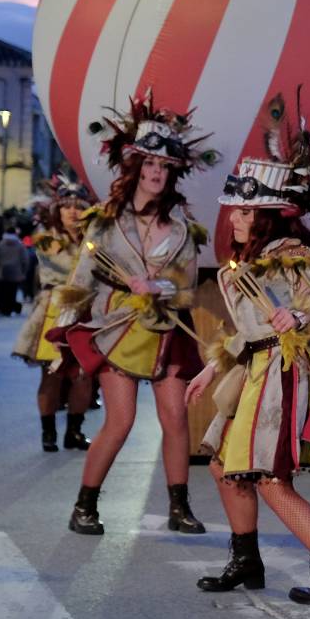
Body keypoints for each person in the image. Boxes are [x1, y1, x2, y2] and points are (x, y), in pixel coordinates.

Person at [187, 102, 310, 605]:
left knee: (269, 478)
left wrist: (296, 318)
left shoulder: (289, 257)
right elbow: (246, 334)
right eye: (234, 210)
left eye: (245, 211)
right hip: (255, 369)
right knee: (224, 466)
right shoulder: (242, 266)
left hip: (284, 371)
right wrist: (211, 367)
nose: (235, 218)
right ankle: (247, 561)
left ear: (265, 216)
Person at [56, 96, 215, 536]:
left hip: (166, 330)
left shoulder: (183, 228)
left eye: (164, 166)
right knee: (120, 421)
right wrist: (64, 332)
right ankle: (84, 506)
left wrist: (159, 288)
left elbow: (187, 289)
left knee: (176, 418)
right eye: (149, 164)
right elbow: (81, 279)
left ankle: (179, 508)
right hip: (115, 329)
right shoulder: (106, 222)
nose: (156, 173)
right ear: (134, 167)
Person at [11, 177, 96, 453]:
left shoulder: (94, 239)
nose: (73, 211)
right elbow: (73, 269)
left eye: (79, 206)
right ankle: (48, 432)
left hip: (86, 311)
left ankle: (74, 431)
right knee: (52, 374)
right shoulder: (47, 238)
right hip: (54, 310)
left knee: (83, 375)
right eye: (67, 206)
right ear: (57, 210)